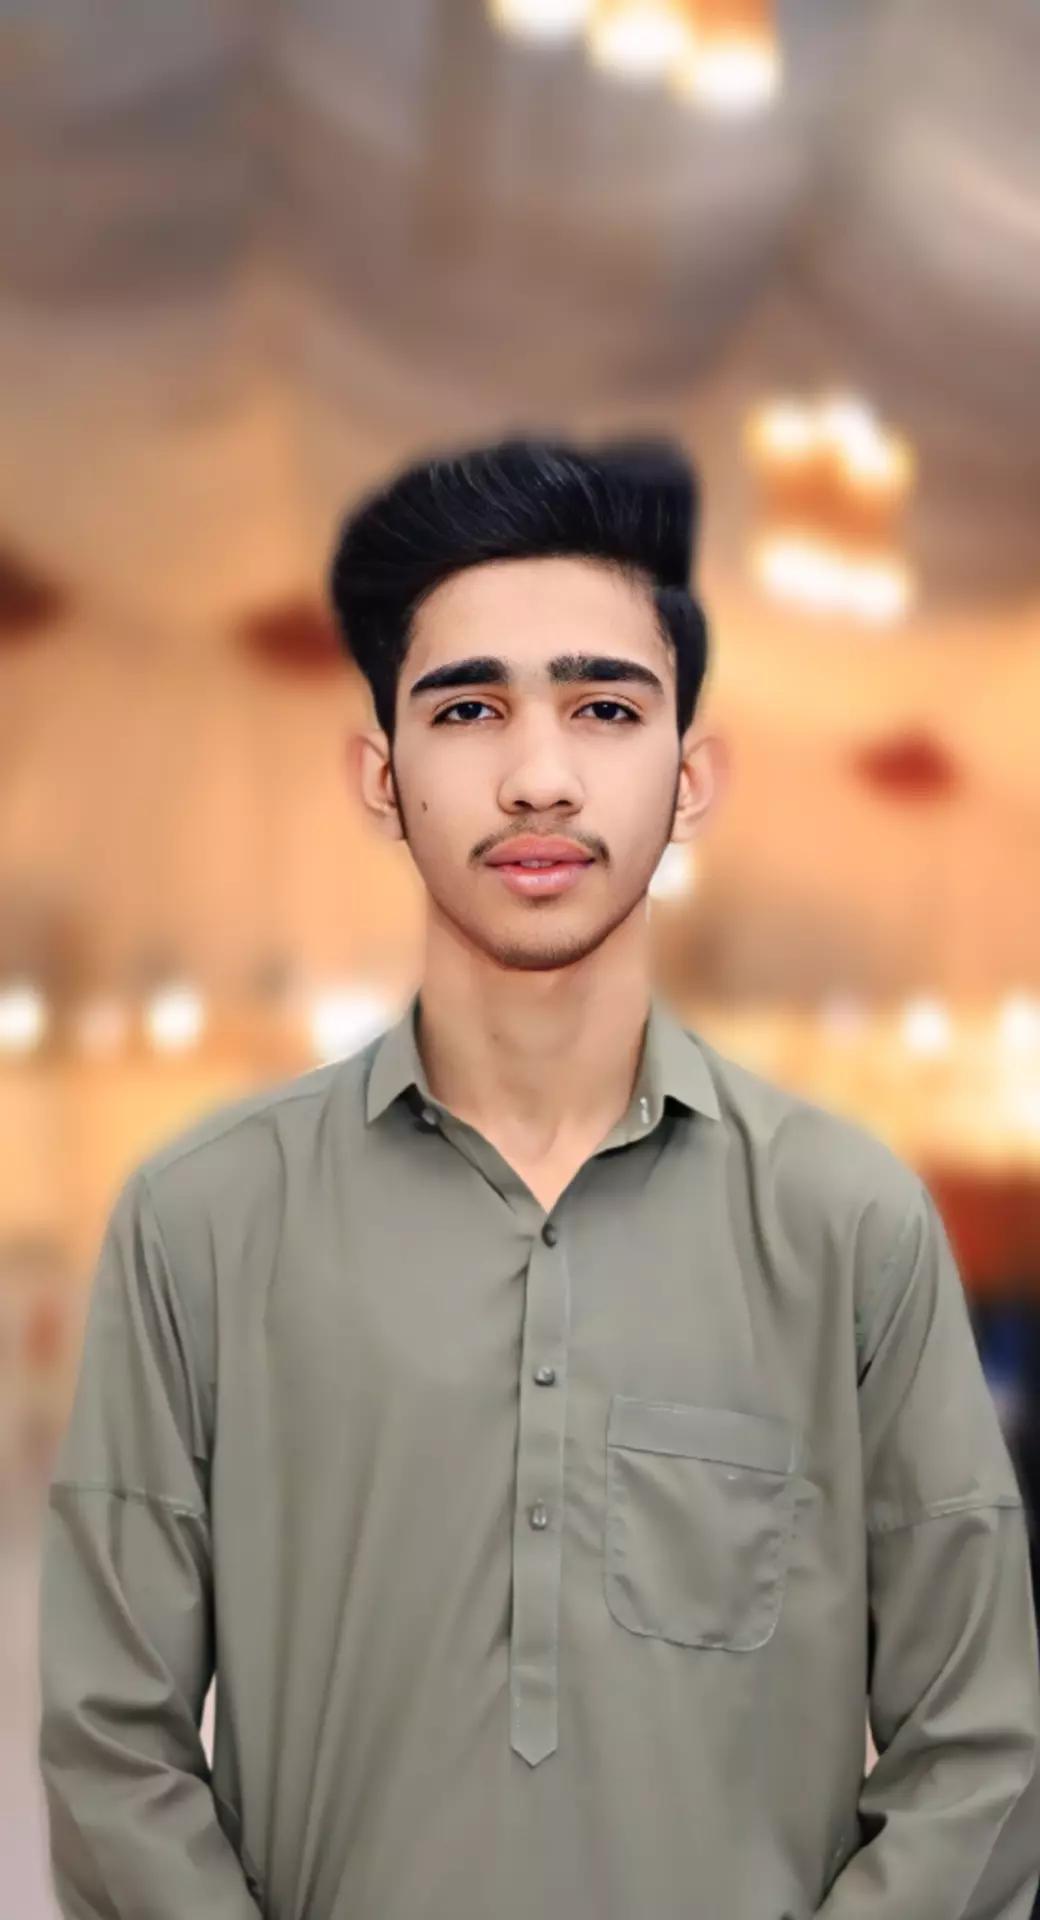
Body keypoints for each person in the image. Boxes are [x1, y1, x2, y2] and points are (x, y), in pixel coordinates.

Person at [37, 434, 1040, 1920]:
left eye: (605, 707)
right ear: (381, 775)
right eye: (469, 708)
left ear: (690, 777)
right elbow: (110, 1746)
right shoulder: (204, 1222)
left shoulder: (848, 1224)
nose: (540, 777)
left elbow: (980, 1746)